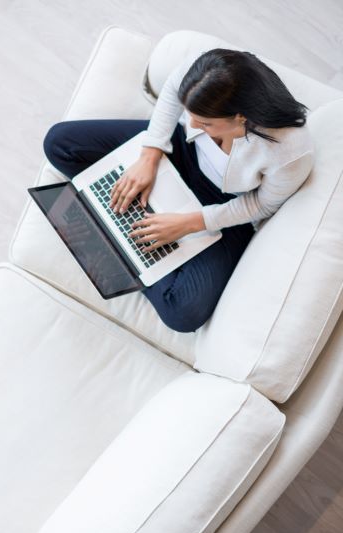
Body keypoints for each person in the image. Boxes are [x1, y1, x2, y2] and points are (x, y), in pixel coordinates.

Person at [43, 48, 315, 332]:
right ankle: (121, 233)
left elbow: (262, 205)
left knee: (183, 312)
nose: (193, 125)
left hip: (223, 204)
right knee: (59, 143)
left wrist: (189, 223)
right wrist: (151, 153)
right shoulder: (207, 72)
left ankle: (114, 239)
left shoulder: (291, 152)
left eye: (206, 123)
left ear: (241, 117)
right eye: (190, 114)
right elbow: (174, 88)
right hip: (180, 152)